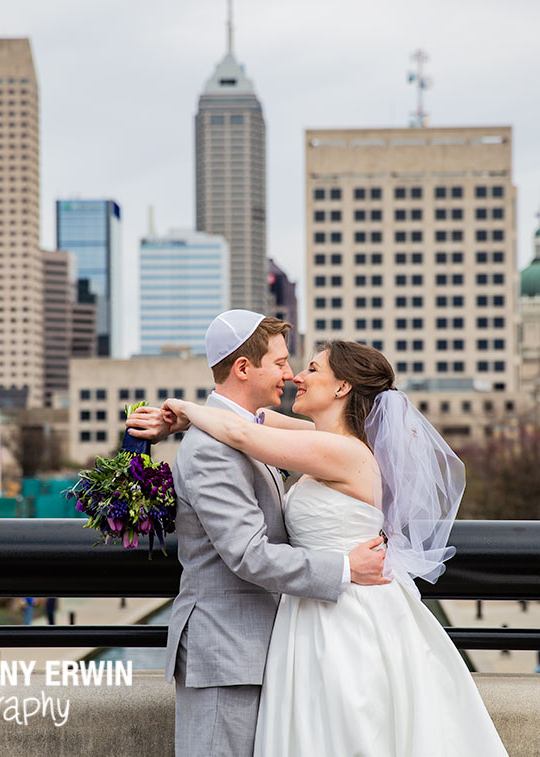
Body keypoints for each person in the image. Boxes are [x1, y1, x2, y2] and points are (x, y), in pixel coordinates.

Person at [135, 336, 507, 756]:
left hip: (344, 614)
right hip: (311, 609)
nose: (297, 375)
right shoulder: (327, 438)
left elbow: (241, 431)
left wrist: (181, 407)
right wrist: (187, 422)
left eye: (312, 369)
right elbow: (252, 419)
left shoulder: (340, 451)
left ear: (342, 387)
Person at [126, 312, 389, 757]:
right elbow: (249, 554)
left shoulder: (252, 434)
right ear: (245, 369)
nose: (291, 374)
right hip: (227, 653)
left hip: (269, 646)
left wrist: (185, 416)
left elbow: (252, 428)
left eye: (303, 367)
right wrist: (345, 566)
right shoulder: (213, 448)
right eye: (282, 362)